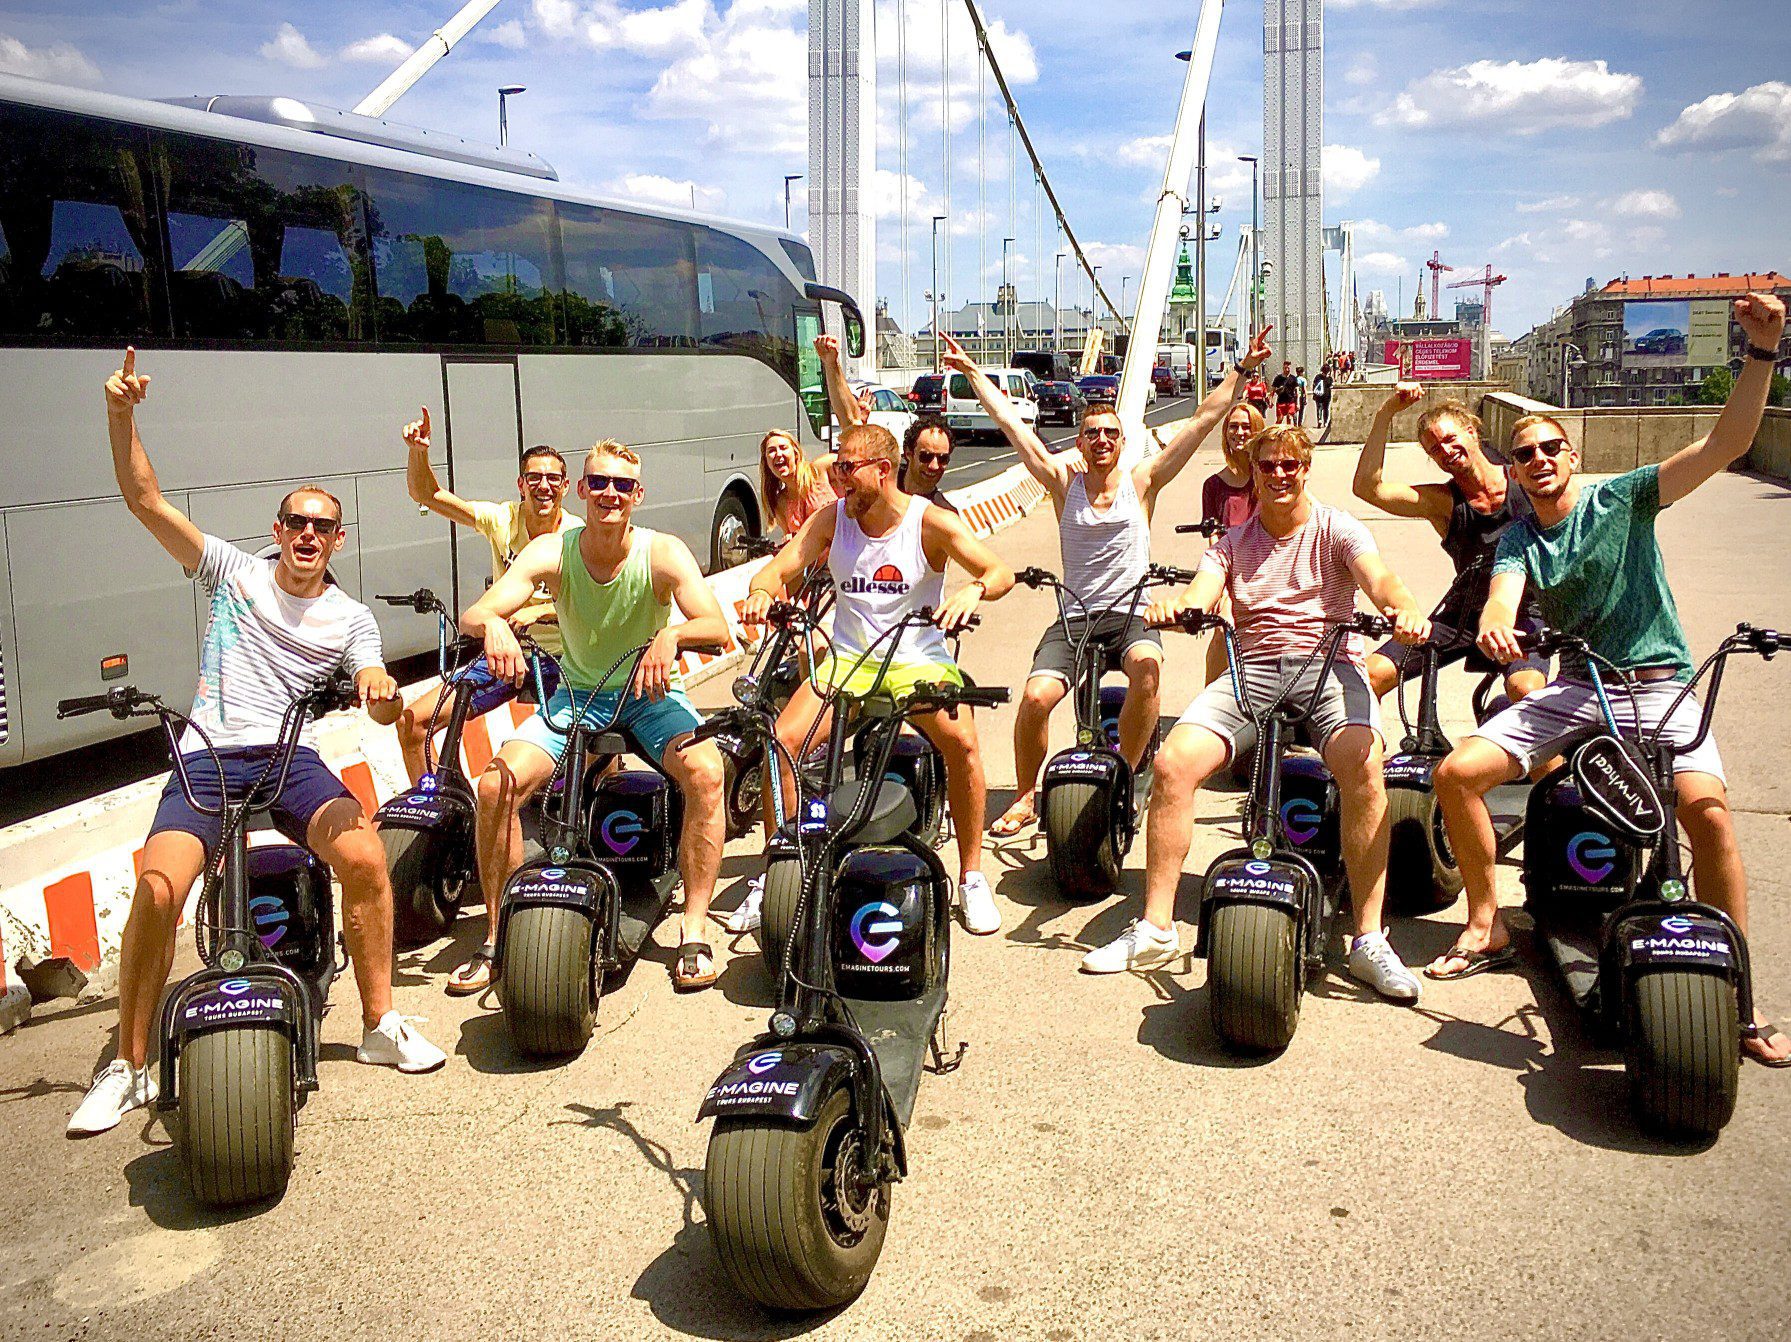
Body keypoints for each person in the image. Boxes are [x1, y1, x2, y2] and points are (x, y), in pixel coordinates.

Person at [69, 351, 445, 1136]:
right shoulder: (234, 573)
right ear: (277, 532)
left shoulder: (349, 619)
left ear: (337, 540)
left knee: (367, 859)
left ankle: (378, 1024)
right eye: (296, 523)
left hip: (287, 760)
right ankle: (128, 1063)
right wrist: (120, 412)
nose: (308, 535)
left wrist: (379, 693)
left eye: (323, 526)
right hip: (207, 753)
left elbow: (374, 685)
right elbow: (143, 498)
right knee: (158, 889)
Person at [1428, 293, 1791, 1066]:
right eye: (1524, 455)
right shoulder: (1520, 539)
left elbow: (1724, 443)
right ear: (1515, 470)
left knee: (1709, 816)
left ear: (1572, 453)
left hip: (1656, 682)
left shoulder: (1623, 498)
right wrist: (1496, 623)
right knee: (1458, 773)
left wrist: (1760, 354)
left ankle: (1741, 1002)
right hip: (1579, 684)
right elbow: (1503, 594)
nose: (1540, 462)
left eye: (1550, 448)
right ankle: (1487, 921)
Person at [1081, 422, 1430, 1004]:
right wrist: (1181, 607)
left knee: (1364, 765)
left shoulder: (1336, 528)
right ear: (1256, 470)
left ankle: (1369, 938)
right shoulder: (1232, 541)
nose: (1280, 474)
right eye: (1269, 465)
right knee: (1172, 765)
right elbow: (1203, 590)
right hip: (1256, 669)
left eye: (1290, 464)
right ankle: (1157, 927)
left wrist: (1404, 609)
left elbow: (1381, 580)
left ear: (1306, 467)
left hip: (1329, 666)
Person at [946, 326, 1274, 840]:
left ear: (1123, 443)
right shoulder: (1063, 483)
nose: (1101, 440)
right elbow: (1012, 426)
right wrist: (971, 373)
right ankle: (1029, 794)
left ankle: (1129, 770)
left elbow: (1202, 420)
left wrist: (1243, 369)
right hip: (1075, 617)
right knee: (1035, 700)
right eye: (1092, 433)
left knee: (1147, 669)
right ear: (1079, 442)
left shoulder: (1143, 482)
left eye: (1110, 434)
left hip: (1130, 615)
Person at [456, 440, 733, 993]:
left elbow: (718, 627)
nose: (610, 494)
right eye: (599, 483)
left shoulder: (661, 552)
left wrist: (672, 635)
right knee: (496, 785)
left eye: (623, 486)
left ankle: (695, 927)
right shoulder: (552, 551)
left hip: (649, 697)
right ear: (580, 490)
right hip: (578, 695)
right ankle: (496, 936)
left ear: (638, 495)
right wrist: (495, 626)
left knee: (706, 772)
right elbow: (476, 612)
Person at [738, 423, 1015, 933]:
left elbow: (999, 571)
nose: (838, 478)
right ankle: (778, 871)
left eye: (848, 468)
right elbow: (778, 569)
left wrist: (973, 591)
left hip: (916, 658)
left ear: (883, 471)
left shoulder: (927, 522)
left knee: (964, 742)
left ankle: (972, 876)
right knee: (781, 742)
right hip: (847, 659)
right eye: (838, 467)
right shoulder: (833, 518)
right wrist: (761, 592)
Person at [396, 412, 581, 785]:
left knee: (587, 739)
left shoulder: (580, 536)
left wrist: (543, 611)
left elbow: (598, 606)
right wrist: (418, 452)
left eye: (552, 479)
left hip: (566, 658)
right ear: (521, 484)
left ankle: (598, 780)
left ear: (564, 487)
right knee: (413, 724)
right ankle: (446, 808)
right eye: (534, 478)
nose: (542, 486)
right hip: (506, 655)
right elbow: (428, 495)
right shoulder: (502, 520)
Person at [1352, 384, 1548, 705]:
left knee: (1525, 690)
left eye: (1449, 438)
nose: (1445, 450)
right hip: (1463, 615)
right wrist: (1384, 414)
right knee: (1369, 675)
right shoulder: (1443, 502)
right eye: (1434, 449)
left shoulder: (1523, 479)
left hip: (1522, 613)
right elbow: (1368, 489)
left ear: (1471, 431)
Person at [816, 332, 961, 510]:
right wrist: (831, 363)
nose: (934, 466)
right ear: (908, 453)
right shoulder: (885, 476)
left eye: (943, 459)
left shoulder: (943, 514)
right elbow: (849, 422)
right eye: (925, 456)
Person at [1198, 402, 1264, 685]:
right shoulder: (1213, 485)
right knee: (1225, 626)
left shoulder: (1269, 477)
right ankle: (1210, 701)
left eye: (1246, 427)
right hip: (1230, 570)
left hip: (1267, 567)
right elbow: (1214, 539)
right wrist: (1219, 587)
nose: (1239, 432)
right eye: (1233, 427)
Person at [758, 426, 837, 537]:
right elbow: (790, 544)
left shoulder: (819, 469)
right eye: (771, 450)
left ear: (795, 453)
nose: (778, 454)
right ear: (766, 462)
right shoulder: (780, 502)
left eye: (783, 447)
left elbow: (853, 461)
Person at [1271, 361, 1300, 425]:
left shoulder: (1293, 378)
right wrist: (1271, 401)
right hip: (1281, 401)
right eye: (1285, 368)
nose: (1287, 370)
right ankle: (1276, 432)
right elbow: (1273, 390)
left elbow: (1297, 392)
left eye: (1288, 368)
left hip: (1290, 401)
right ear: (1283, 368)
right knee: (1279, 419)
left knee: (1289, 417)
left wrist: (1297, 403)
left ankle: (1288, 432)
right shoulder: (1278, 378)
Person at [1312, 361, 1334, 427]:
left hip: (1318, 395)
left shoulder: (1317, 377)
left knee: (1319, 408)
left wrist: (1314, 394)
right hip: (1327, 396)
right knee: (1326, 409)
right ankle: (1325, 422)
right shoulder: (1329, 378)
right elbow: (1331, 386)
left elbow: (1314, 385)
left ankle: (1319, 420)